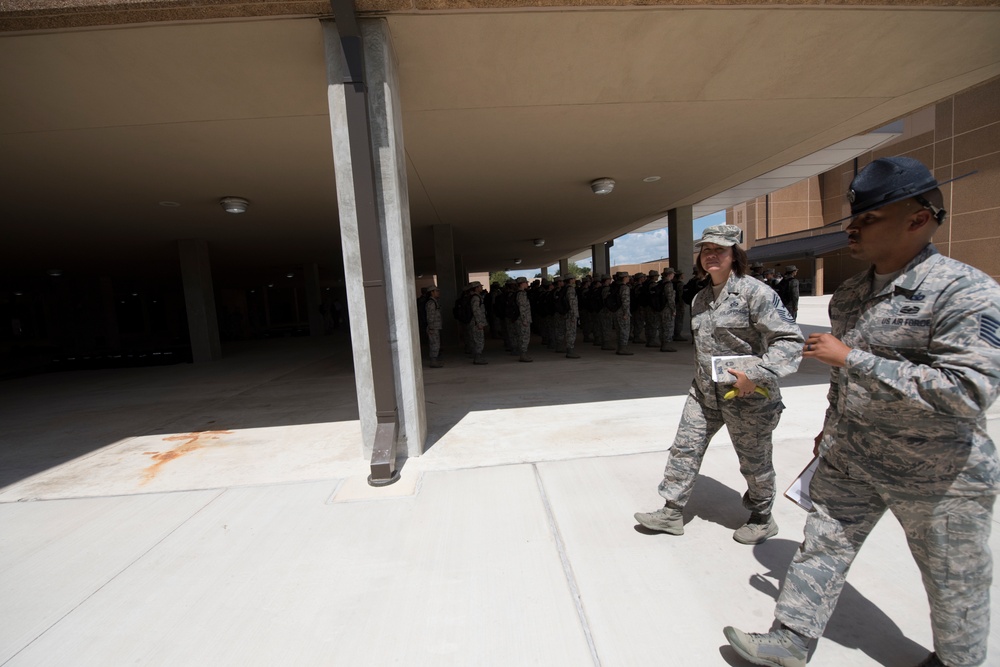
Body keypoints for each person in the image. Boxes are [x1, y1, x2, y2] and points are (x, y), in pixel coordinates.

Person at [724, 157, 1000, 667]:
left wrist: (854, 358)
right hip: (852, 458)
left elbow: (969, 392)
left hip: (938, 474)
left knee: (953, 580)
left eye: (868, 218)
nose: (852, 228)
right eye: (853, 218)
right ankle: (789, 639)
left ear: (919, 218)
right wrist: (830, 430)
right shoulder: (850, 295)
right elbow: (841, 381)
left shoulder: (965, 291)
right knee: (820, 546)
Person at [634, 224, 802, 544]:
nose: (711, 255)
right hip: (704, 392)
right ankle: (671, 511)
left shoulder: (756, 292)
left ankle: (762, 516)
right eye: (706, 250)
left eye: (720, 250)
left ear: (734, 255)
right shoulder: (700, 298)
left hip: (747, 395)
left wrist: (758, 374)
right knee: (685, 446)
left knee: (754, 461)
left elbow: (789, 342)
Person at [468, 281, 488, 365]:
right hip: (476, 323)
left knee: (477, 340)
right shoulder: (476, 298)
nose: (481, 287)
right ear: (476, 288)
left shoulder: (475, 297)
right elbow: (476, 311)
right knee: (479, 340)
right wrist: (479, 323)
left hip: (476, 322)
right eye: (479, 286)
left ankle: (477, 356)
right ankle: (477, 358)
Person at [514, 276, 533, 362]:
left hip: (521, 319)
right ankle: (523, 355)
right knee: (524, 337)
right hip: (522, 320)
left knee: (522, 337)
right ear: (522, 284)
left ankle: (523, 354)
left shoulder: (519, 293)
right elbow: (522, 307)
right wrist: (524, 319)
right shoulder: (521, 294)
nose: (527, 284)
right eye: (526, 282)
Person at [425, 285, 443, 368]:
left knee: (436, 344)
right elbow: (430, 316)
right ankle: (433, 361)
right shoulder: (431, 303)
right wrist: (431, 326)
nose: (438, 292)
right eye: (436, 291)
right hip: (433, 327)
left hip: (435, 326)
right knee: (434, 344)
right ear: (432, 292)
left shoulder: (434, 302)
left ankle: (434, 360)